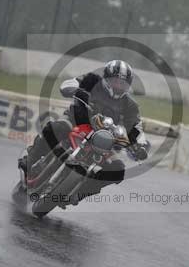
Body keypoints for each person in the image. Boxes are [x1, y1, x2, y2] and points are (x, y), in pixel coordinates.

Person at [23, 60, 149, 197]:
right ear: (106, 78)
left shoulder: (130, 105)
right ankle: (31, 158)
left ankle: (81, 193)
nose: (119, 86)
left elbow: (136, 126)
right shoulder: (92, 81)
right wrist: (75, 90)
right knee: (56, 128)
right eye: (115, 81)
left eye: (123, 83)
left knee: (117, 170)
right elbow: (68, 84)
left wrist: (139, 145)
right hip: (76, 121)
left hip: (104, 140)